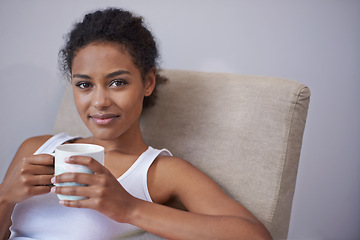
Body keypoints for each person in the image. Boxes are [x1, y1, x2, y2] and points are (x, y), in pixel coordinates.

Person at [0, 8, 272, 239]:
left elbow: (254, 235)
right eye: (84, 84)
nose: (100, 101)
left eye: (117, 82)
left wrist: (129, 208)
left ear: (148, 82)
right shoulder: (36, 148)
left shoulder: (161, 172)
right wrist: (4, 197)